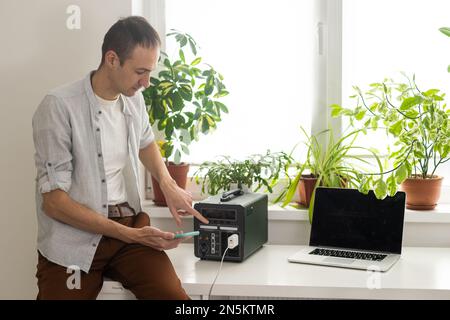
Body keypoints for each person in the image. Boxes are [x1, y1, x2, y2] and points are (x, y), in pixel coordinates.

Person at [32, 16, 208, 300]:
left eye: (149, 72)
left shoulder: (133, 99)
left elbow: (145, 141)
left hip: (128, 230)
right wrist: (130, 235)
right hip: (73, 239)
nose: (147, 82)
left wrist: (168, 184)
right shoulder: (59, 107)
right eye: (140, 71)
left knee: (173, 297)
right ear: (112, 59)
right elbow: (54, 204)